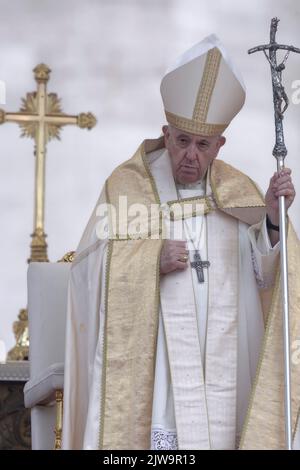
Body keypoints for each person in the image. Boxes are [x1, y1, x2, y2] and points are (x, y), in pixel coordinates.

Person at [62, 35, 299, 450]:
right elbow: (86, 271)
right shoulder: (127, 185)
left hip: (224, 370)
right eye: (182, 140)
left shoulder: (238, 191)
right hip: (157, 379)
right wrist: (149, 259)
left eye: (203, 144)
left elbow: (266, 282)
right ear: (166, 134)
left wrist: (273, 222)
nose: (191, 154)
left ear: (219, 146)